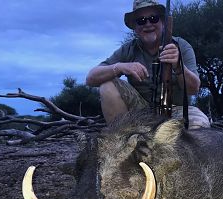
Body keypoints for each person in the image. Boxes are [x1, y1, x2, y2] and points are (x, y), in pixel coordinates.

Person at [86, 0, 210, 129]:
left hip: (176, 110)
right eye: (141, 21)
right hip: (140, 112)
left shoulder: (181, 46)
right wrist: (120, 67)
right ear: (135, 27)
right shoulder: (128, 49)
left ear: (163, 22)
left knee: (200, 125)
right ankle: (123, 140)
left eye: (153, 18)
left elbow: (193, 89)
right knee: (107, 84)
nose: (148, 24)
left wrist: (179, 67)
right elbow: (91, 78)